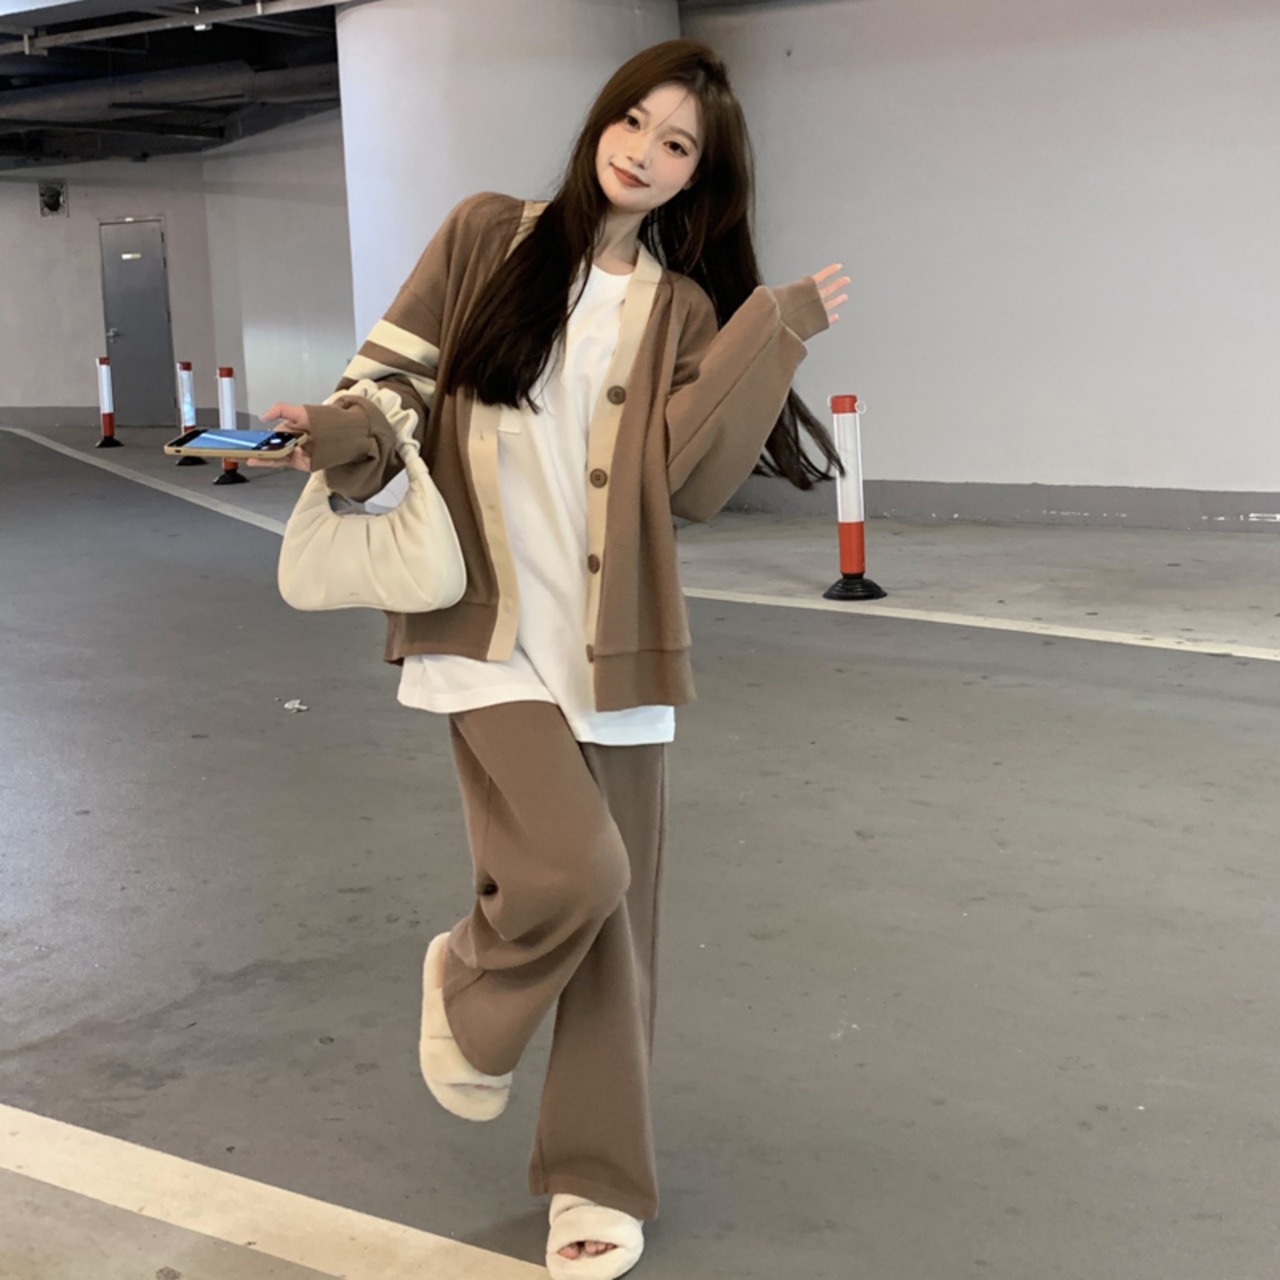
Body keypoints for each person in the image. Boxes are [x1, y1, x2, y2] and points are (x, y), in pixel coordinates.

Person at [256, 38, 847, 1280]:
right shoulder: (488, 236)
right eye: (632, 121)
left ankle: (597, 1176)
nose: (642, 151)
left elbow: (686, 486)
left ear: (695, 179)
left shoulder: (681, 309)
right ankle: (469, 983)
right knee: (577, 869)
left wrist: (775, 327)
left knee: (615, 929)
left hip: (612, 644)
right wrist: (335, 434)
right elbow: (392, 386)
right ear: (600, 121)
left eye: (675, 144)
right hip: (481, 628)